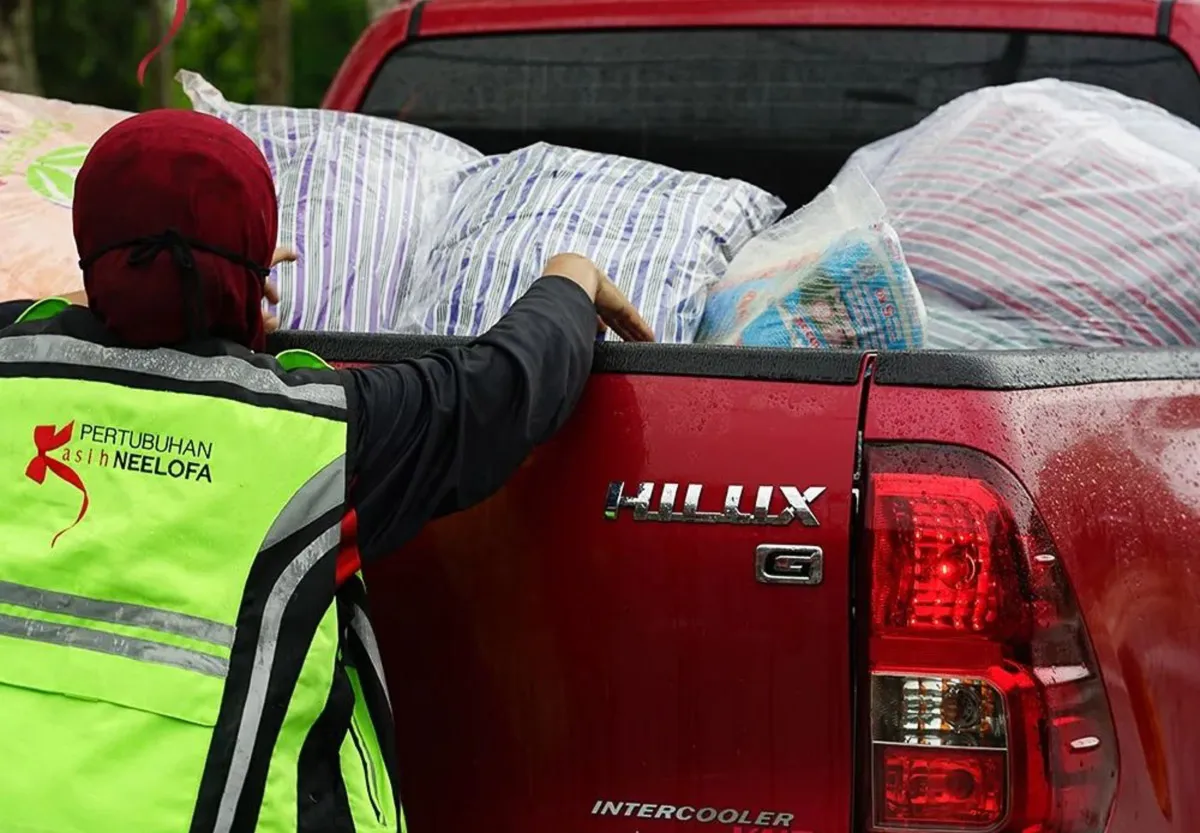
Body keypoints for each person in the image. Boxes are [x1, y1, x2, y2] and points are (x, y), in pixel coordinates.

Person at [0, 109, 653, 833]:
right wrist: (572, 277)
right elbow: (499, 389)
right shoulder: (319, 431)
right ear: (253, 263)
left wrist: (161, 279)